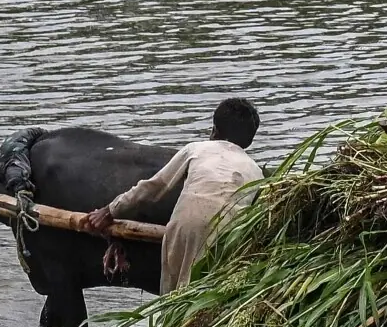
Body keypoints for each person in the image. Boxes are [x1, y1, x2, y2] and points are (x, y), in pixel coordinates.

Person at [84, 98, 263, 294]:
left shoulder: (197, 149)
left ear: (214, 131)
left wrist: (110, 210)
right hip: (230, 235)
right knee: (210, 294)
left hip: (186, 226)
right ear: (249, 141)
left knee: (175, 293)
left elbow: (154, 187)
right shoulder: (255, 171)